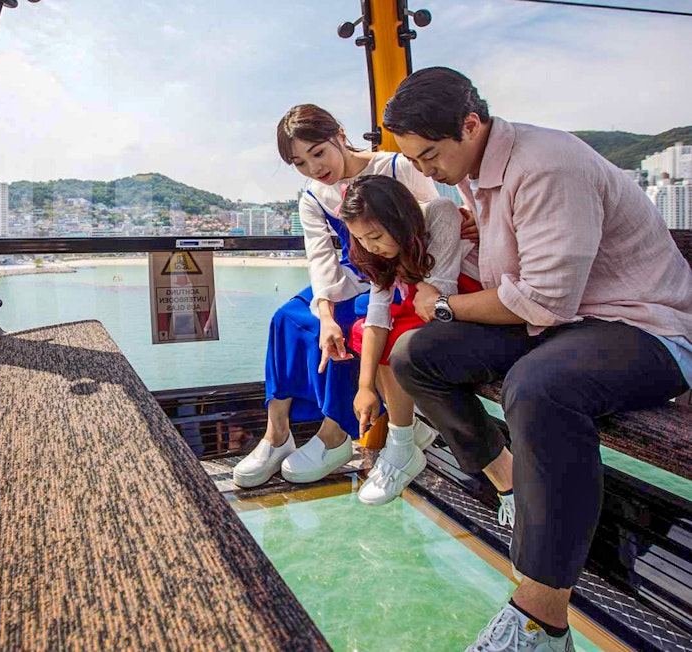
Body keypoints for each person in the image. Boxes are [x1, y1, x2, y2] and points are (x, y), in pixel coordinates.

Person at [382, 67, 692, 651]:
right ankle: (514, 485)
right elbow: (527, 288)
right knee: (413, 354)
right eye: (415, 160)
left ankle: (541, 621)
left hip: (644, 326)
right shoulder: (478, 171)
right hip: (565, 323)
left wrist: (445, 304)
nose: (425, 171)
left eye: (429, 156)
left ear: (471, 124)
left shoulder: (546, 163)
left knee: (538, 387)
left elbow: (545, 299)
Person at [232, 103, 442, 488]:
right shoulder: (313, 197)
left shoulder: (396, 167)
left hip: (397, 276)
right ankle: (276, 433)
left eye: (318, 153)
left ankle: (336, 433)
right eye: (300, 162)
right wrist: (325, 314)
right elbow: (321, 259)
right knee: (287, 318)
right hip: (350, 276)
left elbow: (435, 225)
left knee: (351, 323)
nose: (314, 168)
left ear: (340, 136)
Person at [337, 175, 484, 507]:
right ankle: (407, 431)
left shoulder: (439, 212)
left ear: (398, 220)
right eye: (361, 239)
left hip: (460, 299)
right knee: (362, 330)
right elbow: (377, 316)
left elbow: (440, 288)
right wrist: (364, 387)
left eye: (375, 236)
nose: (370, 247)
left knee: (398, 334)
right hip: (422, 301)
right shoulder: (383, 253)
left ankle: (402, 443)